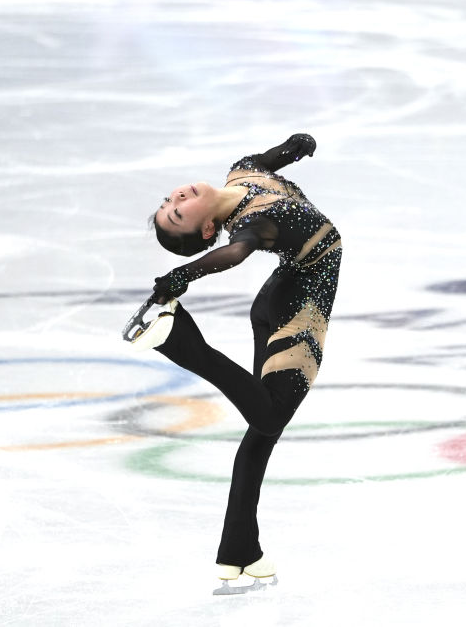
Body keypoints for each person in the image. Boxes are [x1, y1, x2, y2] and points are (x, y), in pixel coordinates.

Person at [137, 133, 341, 592]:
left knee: (262, 433)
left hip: (277, 298)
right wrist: (183, 275)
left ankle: (239, 551)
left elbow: (269, 160)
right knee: (267, 419)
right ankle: (183, 345)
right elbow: (237, 252)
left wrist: (292, 148)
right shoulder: (251, 223)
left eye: (170, 200)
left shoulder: (243, 172)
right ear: (208, 229)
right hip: (297, 315)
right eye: (177, 212)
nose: (177, 197)